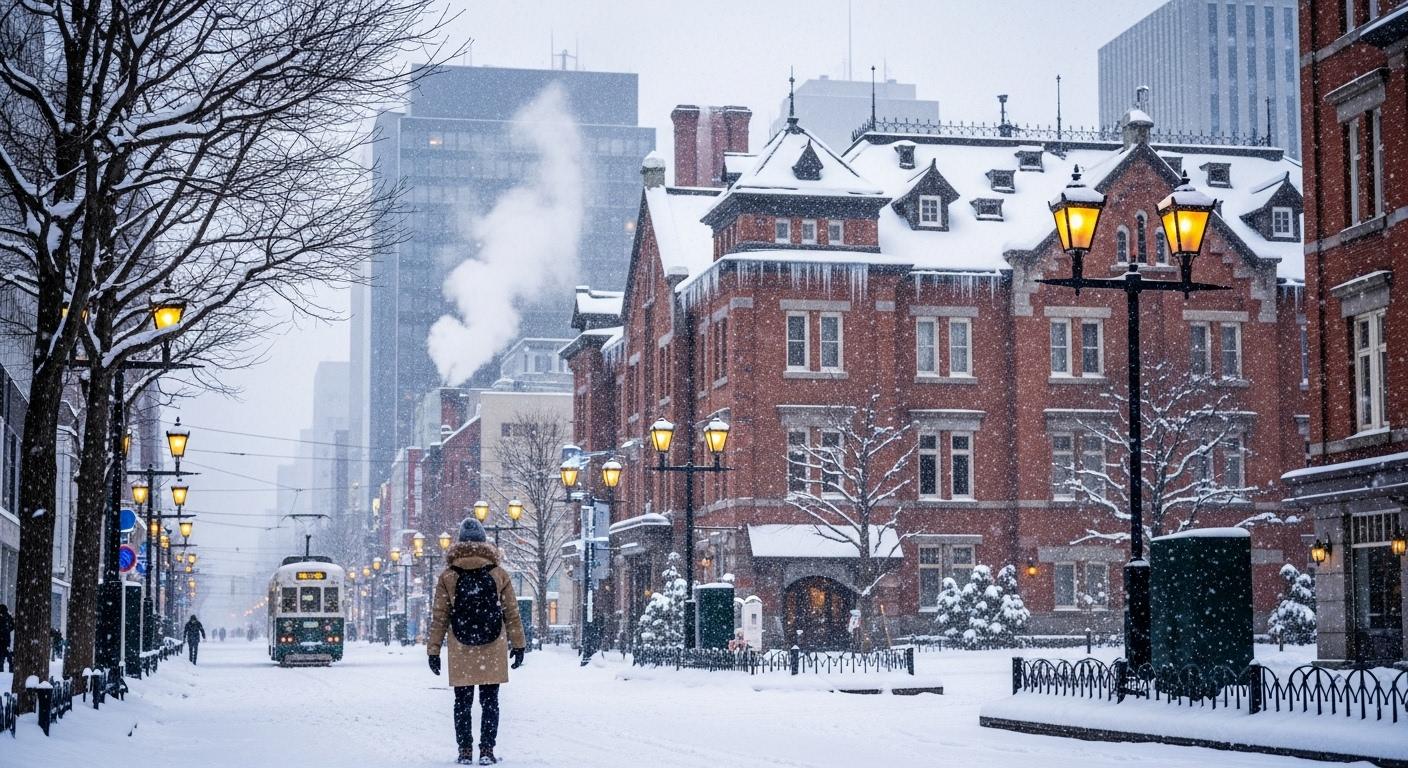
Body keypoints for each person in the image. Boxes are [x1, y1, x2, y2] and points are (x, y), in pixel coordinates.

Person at [428, 518, 526, 766]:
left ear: (460, 543)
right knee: (490, 701)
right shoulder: (498, 573)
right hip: (492, 647)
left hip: (462, 646)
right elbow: (511, 613)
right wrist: (519, 645)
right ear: (484, 543)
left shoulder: (448, 576)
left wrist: (434, 650)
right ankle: (487, 750)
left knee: (462, 702)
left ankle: (464, 751)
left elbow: (440, 616)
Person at [0, 604, 13, 672]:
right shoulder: (8, 616)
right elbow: (12, 626)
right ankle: (11, 668)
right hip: (7, 638)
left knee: (1, 655)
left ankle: (1, 669)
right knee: (9, 653)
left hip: (1, 638)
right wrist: (8, 630)